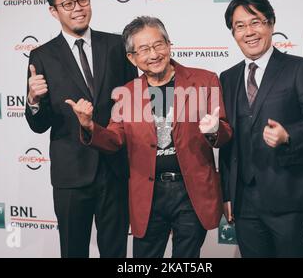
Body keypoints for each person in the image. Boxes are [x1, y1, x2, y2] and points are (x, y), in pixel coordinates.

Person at [66, 16, 233, 258]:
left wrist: (215, 130)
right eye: (143, 49)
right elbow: (114, 138)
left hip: (191, 192)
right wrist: (90, 126)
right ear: (132, 58)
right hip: (148, 194)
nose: (153, 54)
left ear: (169, 44)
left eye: (158, 45)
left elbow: (225, 132)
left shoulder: (205, 80)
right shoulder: (127, 93)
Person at [25, 0, 137, 258]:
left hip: (114, 170)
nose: (78, 8)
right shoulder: (42, 56)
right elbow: (39, 125)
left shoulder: (116, 46)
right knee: (73, 251)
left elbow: (133, 106)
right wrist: (34, 100)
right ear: (53, 11)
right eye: (68, 4)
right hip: (71, 173)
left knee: (116, 252)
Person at [219, 0, 303, 258]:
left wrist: (288, 134)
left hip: (289, 197)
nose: (249, 32)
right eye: (240, 26)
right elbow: (227, 141)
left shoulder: (299, 68)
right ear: (233, 33)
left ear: (271, 23)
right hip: (244, 202)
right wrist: (227, 193)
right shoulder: (227, 77)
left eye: (256, 22)